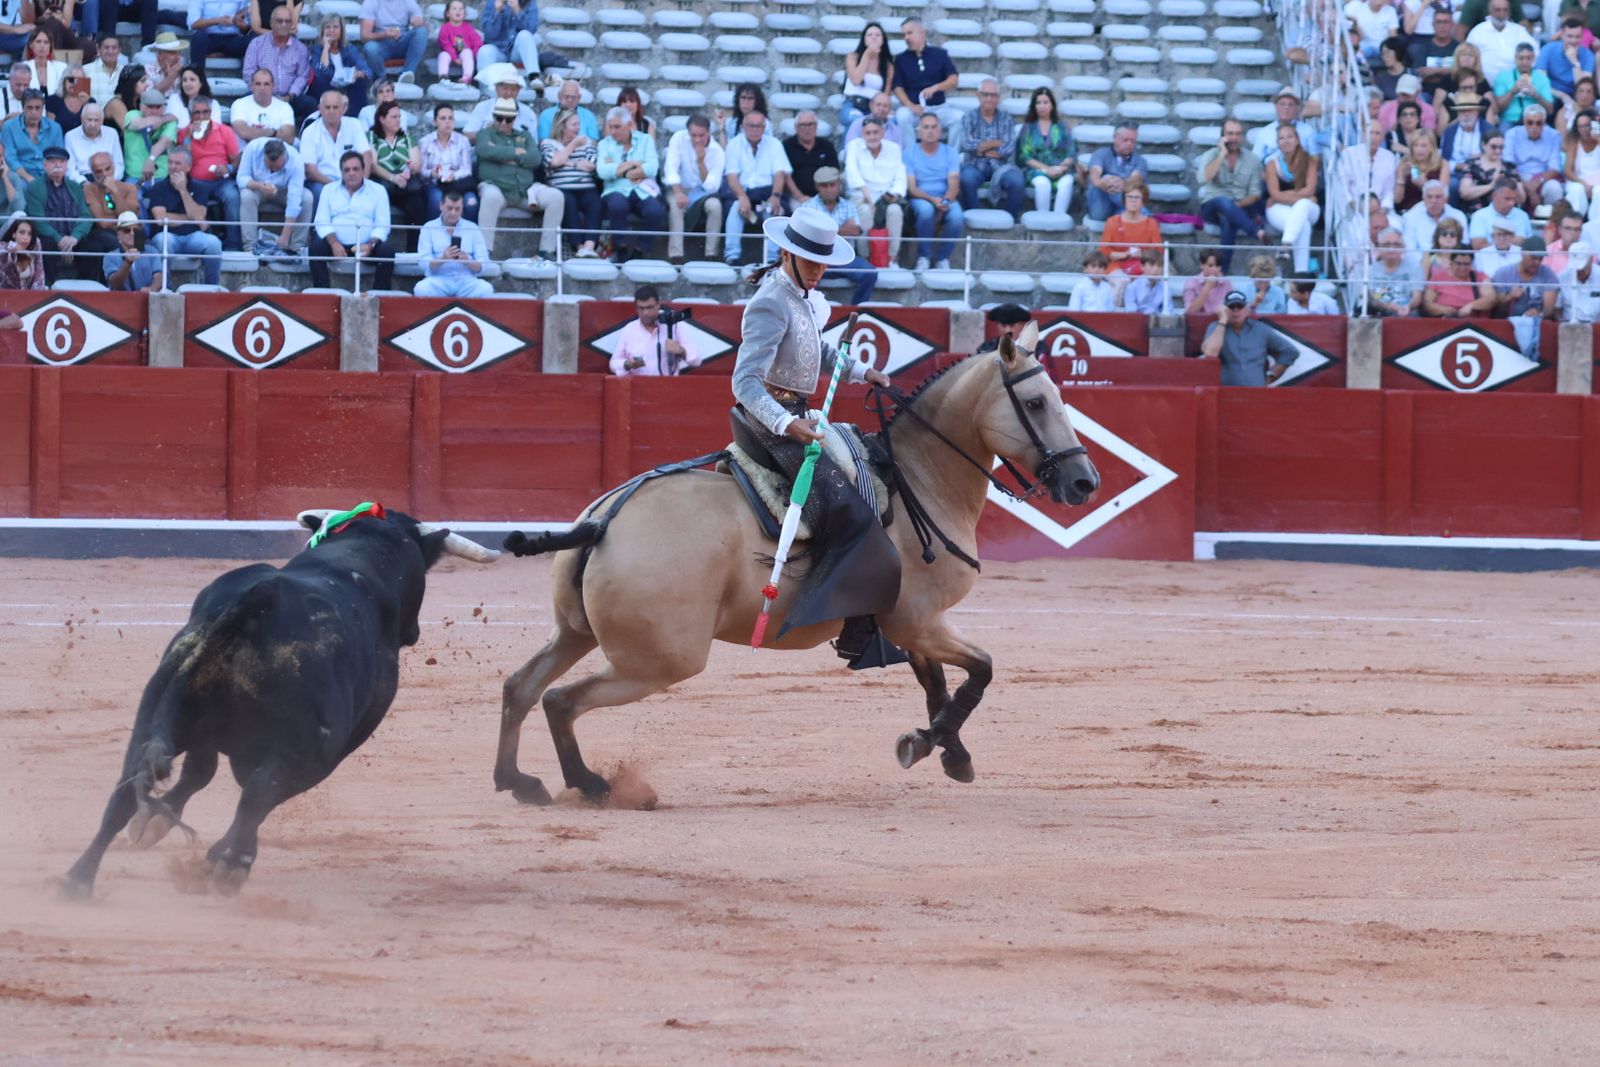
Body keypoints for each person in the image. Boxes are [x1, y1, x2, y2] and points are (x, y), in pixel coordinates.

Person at [730, 208, 899, 669]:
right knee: (846, 505)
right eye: (812, 260)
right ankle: (850, 627)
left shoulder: (801, 296)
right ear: (787, 252)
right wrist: (787, 424)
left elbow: (817, 351)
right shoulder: (769, 301)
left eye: (824, 261)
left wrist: (864, 372)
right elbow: (745, 383)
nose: (821, 269)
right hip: (772, 422)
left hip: (797, 416)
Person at [476, 96, 562, 262]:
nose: (503, 123)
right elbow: (485, 151)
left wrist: (501, 154)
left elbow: (535, 159)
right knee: (490, 196)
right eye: (499, 118)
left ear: (514, 119)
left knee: (556, 197)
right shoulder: (484, 134)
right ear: (494, 117)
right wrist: (517, 153)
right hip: (497, 187)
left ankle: (546, 251)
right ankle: (484, 251)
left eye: (508, 119)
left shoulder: (524, 135)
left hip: (524, 190)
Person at [309, 149, 393, 289]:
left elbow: (383, 224)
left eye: (355, 169)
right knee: (315, 248)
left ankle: (380, 295)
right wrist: (334, 243)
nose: (351, 173)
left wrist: (370, 245)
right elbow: (321, 221)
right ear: (341, 172)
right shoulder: (329, 190)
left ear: (363, 170)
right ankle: (322, 293)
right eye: (346, 170)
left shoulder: (378, 190)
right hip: (336, 245)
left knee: (387, 252)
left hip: (367, 246)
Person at [25, 144, 109, 280]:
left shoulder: (75, 187)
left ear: (67, 166)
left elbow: (85, 215)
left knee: (95, 248)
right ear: (44, 165)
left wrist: (74, 237)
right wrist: (60, 239)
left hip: (72, 238)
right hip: (50, 238)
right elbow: (37, 219)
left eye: (62, 161)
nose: (57, 165)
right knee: (45, 246)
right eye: (52, 161)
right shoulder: (35, 187)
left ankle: (86, 289)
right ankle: (48, 287)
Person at [793, 166, 875, 305]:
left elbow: (854, 230)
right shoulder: (808, 206)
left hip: (845, 260)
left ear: (839, 185)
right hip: (815, 260)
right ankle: (810, 310)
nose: (829, 189)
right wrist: (842, 229)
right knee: (801, 276)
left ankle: (856, 311)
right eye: (824, 185)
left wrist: (822, 231)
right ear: (817, 186)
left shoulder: (848, 205)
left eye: (832, 184)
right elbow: (805, 235)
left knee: (870, 273)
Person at [722, 108, 793, 267]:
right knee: (736, 207)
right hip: (741, 191)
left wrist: (776, 195)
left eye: (758, 126)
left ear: (764, 127)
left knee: (773, 208)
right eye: (751, 125)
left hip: (767, 192)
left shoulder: (775, 144)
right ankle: (732, 255)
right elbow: (731, 176)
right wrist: (741, 196)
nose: (755, 129)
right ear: (743, 127)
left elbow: (779, 173)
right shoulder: (734, 144)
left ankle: (772, 258)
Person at [1196, 121, 1265, 273]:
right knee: (1223, 201)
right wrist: (1221, 155)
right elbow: (1204, 178)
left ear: (1243, 137)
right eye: (1230, 134)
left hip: (1240, 207)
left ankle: (1222, 273)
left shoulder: (1252, 160)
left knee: (1228, 219)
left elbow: (1255, 193)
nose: (1234, 138)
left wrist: (1234, 208)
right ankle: (1254, 230)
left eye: (1238, 134)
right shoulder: (1211, 155)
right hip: (1212, 205)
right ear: (1222, 136)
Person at [148, 145, 223, 284]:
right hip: (168, 235)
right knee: (163, 241)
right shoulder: (158, 188)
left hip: (193, 237)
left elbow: (200, 216)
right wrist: (191, 218)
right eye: (170, 162)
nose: (172, 167)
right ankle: (165, 287)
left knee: (214, 243)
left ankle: (211, 288)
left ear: (188, 167)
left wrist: (183, 190)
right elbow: (160, 219)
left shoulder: (200, 188)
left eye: (177, 163)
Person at [597, 106, 663, 263]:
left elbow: (652, 168)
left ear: (629, 125)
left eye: (617, 127)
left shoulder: (645, 140)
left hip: (642, 189)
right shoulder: (604, 144)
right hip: (615, 189)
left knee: (655, 211)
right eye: (610, 127)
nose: (612, 131)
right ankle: (621, 246)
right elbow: (602, 171)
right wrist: (633, 164)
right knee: (617, 205)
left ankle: (640, 250)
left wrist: (619, 168)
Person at [178, 95, 240, 250]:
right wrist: (188, 137)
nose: (201, 117)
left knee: (233, 196)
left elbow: (236, 160)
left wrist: (228, 168)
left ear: (211, 112)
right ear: (190, 114)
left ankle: (234, 244)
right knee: (191, 197)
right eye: (196, 113)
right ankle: (197, 243)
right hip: (196, 182)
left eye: (205, 112)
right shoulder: (183, 133)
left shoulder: (224, 131)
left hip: (221, 180)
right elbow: (182, 160)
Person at [1201, 288, 1299, 384]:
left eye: (1239, 306)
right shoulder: (1215, 327)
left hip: (1256, 392)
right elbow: (1210, 353)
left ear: (1246, 310)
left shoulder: (1261, 329)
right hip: (1226, 393)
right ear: (1224, 309)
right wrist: (1222, 322)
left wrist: (1271, 375)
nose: (1236, 310)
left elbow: (1291, 351)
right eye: (1231, 307)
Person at [842, 116, 904, 267]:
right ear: (863, 134)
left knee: (896, 211)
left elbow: (900, 176)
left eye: (875, 132)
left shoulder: (893, 148)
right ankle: (866, 257)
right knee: (864, 210)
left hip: (886, 196)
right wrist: (867, 196)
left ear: (882, 133)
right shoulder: (854, 146)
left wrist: (894, 194)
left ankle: (891, 259)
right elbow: (851, 172)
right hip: (861, 195)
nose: (872, 136)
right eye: (868, 133)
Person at [957, 79, 1023, 219]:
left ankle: (1008, 219)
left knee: (1017, 181)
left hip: (1001, 166)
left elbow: (1009, 148)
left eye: (993, 95)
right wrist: (997, 142)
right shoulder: (969, 117)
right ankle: (974, 219)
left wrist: (980, 149)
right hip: (974, 165)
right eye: (985, 94)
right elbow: (966, 144)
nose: (989, 98)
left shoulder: (1006, 119)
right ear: (978, 95)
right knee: (966, 179)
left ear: (998, 98)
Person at [236, 135, 311, 257]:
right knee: (246, 196)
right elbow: (241, 178)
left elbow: (294, 200)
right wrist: (259, 185)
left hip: (283, 190)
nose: (273, 169)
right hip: (258, 188)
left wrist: (285, 236)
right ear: (263, 156)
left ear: (284, 156)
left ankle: (297, 247)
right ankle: (250, 247)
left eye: (277, 167)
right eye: (269, 166)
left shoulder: (296, 160)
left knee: (306, 198)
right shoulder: (253, 148)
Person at [664, 112, 723, 263]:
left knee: (715, 206)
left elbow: (712, 187)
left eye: (701, 135)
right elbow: (671, 168)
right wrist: (678, 193)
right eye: (693, 135)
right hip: (678, 187)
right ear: (688, 132)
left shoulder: (717, 151)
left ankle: (711, 254)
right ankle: (676, 256)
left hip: (703, 193)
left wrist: (701, 162)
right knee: (676, 205)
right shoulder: (679, 138)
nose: (697, 139)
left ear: (709, 133)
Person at [905, 112, 962, 271]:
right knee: (925, 211)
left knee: (957, 217)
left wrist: (944, 202)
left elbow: (954, 183)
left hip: (946, 197)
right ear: (919, 131)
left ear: (940, 131)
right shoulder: (909, 153)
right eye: (926, 127)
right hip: (921, 197)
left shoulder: (950, 152)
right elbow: (912, 187)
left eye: (934, 127)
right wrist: (933, 201)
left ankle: (943, 259)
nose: (930, 131)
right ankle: (924, 257)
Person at [540, 108, 599, 257]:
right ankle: (578, 247)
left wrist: (566, 161)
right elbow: (553, 161)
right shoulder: (548, 143)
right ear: (562, 126)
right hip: (562, 188)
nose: (578, 128)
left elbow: (592, 163)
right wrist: (573, 149)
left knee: (595, 202)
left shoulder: (587, 144)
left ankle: (589, 246)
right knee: (568, 202)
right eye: (574, 124)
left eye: (579, 124)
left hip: (586, 186)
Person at [609, 284, 703, 376]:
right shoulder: (629, 329)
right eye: (641, 308)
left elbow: (697, 360)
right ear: (636, 308)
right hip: (638, 386)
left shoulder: (674, 325)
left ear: (658, 305)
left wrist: (681, 351)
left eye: (649, 307)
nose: (645, 313)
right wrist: (628, 364)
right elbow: (613, 363)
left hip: (668, 386)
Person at [1265, 124, 1322, 273]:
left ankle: (1286, 244)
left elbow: (1310, 189)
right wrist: (1304, 196)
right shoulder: (1272, 164)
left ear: (1297, 140)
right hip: (1279, 209)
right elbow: (1274, 194)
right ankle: (1300, 273)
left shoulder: (1310, 161)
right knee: (1303, 225)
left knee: (1303, 205)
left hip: (1309, 209)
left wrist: (1285, 197)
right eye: (1281, 138)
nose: (1286, 141)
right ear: (1277, 143)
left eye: (1289, 137)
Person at [301, 90, 371, 209]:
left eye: (335, 107)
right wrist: (339, 187)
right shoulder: (310, 132)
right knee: (323, 193)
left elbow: (367, 157)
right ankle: (319, 227)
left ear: (343, 109)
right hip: (322, 182)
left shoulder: (355, 125)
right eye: (327, 107)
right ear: (320, 109)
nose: (331, 111)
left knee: (375, 192)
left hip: (353, 179)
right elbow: (310, 171)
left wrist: (361, 183)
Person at [243, 6, 313, 125]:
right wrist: (265, 92)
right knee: (243, 101)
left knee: (310, 104)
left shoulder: (300, 49)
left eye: (287, 21)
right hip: (262, 94)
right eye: (279, 21)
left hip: (290, 98)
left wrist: (290, 95)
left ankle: (305, 139)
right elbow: (249, 72)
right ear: (271, 23)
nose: (284, 25)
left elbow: (302, 76)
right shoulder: (257, 44)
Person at [369, 99, 424, 252]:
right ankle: (376, 248)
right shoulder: (372, 136)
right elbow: (373, 165)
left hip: (405, 185)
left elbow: (416, 163)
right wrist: (393, 178)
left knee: (416, 204)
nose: (398, 120)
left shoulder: (407, 137)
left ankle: (414, 250)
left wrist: (412, 167)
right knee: (379, 195)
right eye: (394, 117)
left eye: (399, 117)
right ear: (382, 119)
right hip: (382, 182)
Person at [414, 188, 490, 297]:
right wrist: (443, 258)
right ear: (441, 206)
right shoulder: (429, 227)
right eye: (449, 208)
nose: (453, 213)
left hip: (466, 280)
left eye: (457, 209)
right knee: (421, 289)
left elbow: (484, 265)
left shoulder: (472, 228)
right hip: (439, 280)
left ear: (462, 209)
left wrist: (468, 262)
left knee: (486, 289)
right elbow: (423, 263)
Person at [1492, 234, 1559, 354]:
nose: (1537, 262)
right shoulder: (1504, 273)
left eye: (1540, 258)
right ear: (1523, 253)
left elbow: (1549, 308)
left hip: (1538, 327)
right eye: (1533, 258)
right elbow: (1496, 310)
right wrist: (1510, 297)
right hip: (1507, 327)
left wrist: (1540, 313)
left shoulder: (1548, 274)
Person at [892, 18, 959, 134]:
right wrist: (911, 106)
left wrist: (936, 87)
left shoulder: (940, 54)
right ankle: (909, 151)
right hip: (914, 110)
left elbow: (954, 80)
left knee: (959, 118)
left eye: (909, 33)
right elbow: (898, 87)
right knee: (902, 116)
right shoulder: (900, 59)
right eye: (904, 35)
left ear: (922, 33)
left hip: (939, 108)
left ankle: (952, 152)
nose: (906, 38)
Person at [1017, 87, 1075, 218]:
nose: (1042, 106)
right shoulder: (1028, 128)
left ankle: (1059, 219)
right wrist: (1046, 169)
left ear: (1052, 105)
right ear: (1034, 106)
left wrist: (1063, 166)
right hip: (1036, 170)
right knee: (1043, 184)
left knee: (1067, 182)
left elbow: (1071, 152)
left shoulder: (1062, 126)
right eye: (1038, 103)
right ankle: (1043, 219)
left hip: (1060, 168)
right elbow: (1025, 156)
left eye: (1045, 102)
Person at [419, 102, 475, 220]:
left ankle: (467, 237)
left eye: (450, 118)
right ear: (435, 122)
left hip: (457, 184)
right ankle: (434, 235)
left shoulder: (462, 141)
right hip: (435, 184)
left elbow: (466, 170)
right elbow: (421, 171)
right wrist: (432, 173)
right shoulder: (425, 142)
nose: (447, 122)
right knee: (437, 200)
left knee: (471, 202)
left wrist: (453, 175)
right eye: (443, 118)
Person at [309, 14, 372, 118]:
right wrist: (326, 48)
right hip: (326, 86)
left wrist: (361, 73)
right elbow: (320, 71)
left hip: (347, 86)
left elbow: (367, 70)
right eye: (328, 27)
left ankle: (355, 118)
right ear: (322, 31)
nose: (331, 30)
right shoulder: (316, 50)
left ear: (341, 30)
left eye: (335, 27)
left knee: (360, 82)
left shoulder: (350, 48)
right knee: (320, 80)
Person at [1085, 124, 1149, 222]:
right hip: (1100, 205)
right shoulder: (1100, 154)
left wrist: (1122, 184)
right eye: (1125, 140)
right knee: (1107, 178)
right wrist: (1104, 183)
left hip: (1123, 206)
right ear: (1115, 138)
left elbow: (1136, 179)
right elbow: (1095, 173)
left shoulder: (1140, 161)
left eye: (1133, 141)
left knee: (1130, 189)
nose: (1129, 144)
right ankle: (1143, 213)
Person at [1505, 104, 1564, 206]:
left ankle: (1551, 219)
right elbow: (1509, 165)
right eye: (1530, 122)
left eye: (1538, 123)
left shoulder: (1553, 135)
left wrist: (1536, 183)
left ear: (1544, 123)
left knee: (1554, 188)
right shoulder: (1512, 134)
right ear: (1524, 122)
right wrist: (1530, 189)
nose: (1534, 127)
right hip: (1519, 176)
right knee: (1515, 188)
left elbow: (1554, 168)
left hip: (1543, 177)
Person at [3, 89, 61, 190]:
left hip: (49, 174)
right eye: (29, 108)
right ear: (23, 108)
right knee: (22, 187)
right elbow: (11, 159)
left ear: (43, 108)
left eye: (37, 108)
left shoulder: (55, 128)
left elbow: (59, 156)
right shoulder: (9, 127)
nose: (33, 112)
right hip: (21, 174)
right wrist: (28, 177)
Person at [463, 64, 535, 144]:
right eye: (505, 88)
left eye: (513, 90)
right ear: (496, 89)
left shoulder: (528, 112)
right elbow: (466, 137)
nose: (508, 93)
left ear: (518, 91)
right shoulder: (483, 107)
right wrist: (488, 131)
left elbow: (533, 143)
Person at [1466, 0, 1535, 83]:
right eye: (1498, 10)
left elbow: (1534, 53)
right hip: (1483, 85)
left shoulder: (1519, 31)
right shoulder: (1477, 32)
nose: (1501, 14)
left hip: (1514, 85)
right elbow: (1467, 57)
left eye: (1505, 10)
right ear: (1490, 11)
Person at [358, 0, 426, 84]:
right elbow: (364, 36)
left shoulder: (408, 1)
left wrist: (420, 22)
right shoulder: (371, 2)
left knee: (421, 32)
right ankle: (381, 81)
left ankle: (407, 74)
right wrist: (385, 34)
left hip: (402, 41)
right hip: (381, 44)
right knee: (370, 48)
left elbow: (423, 25)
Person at [1100, 181, 1160, 275]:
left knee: (1146, 280)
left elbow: (1157, 252)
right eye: (1130, 197)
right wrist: (1125, 255)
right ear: (1124, 200)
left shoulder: (1151, 223)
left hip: (1143, 266)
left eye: (1137, 197)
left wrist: (1142, 254)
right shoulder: (1112, 222)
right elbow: (1104, 252)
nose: (1133, 200)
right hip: (1116, 266)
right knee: (1122, 281)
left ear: (1143, 202)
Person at [841, 22, 892, 129]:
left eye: (877, 35)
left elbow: (885, 96)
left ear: (883, 40)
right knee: (856, 119)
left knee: (890, 122)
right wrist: (867, 54)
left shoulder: (888, 66)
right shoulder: (852, 57)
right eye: (869, 35)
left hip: (874, 107)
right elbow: (856, 80)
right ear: (864, 39)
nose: (873, 38)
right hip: (852, 104)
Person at [1537, 16, 1594, 111]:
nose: (1573, 41)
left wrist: (1574, 62)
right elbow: (1540, 82)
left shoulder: (1587, 55)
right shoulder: (1548, 49)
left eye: (1577, 37)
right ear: (1562, 35)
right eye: (1570, 36)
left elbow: (1584, 88)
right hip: (1553, 93)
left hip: (1576, 95)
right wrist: (1562, 95)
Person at [1253, 89, 1328, 159]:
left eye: (1291, 105)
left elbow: (1315, 159)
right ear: (1276, 107)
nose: (1286, 108)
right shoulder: (1264, 133)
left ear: (1297, 108)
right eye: (1282, 104)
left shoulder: (1308, 131)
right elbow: (1256, 161)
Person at [478, 0, 541, 84]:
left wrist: (517, 10)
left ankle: (534, 77)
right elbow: (489, 35)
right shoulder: (491, 2)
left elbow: (531, 29)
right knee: (484, 51)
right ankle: (486, 91)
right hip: (498, 50)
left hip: (517, 52)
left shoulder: (530, 2)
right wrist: (497, 12)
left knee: (525, 34)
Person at [1493, 42, 1555, 126]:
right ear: (1515, 58)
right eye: (1521, 58)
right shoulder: (1503, 76)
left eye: (1528, 58)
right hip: (1510, 119)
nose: (1525, 62)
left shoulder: (1542, 78)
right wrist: (1513, 91)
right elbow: (1498, 108)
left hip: (1535, 120)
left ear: (1534, 59)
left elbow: (1550, 110)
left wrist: (1536, 95)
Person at [1421, 247, 1498, 314]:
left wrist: (1471, 306)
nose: (1462, 268)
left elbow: (1491, 299)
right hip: (1445, 320)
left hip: (1474, 322)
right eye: (1459, 263)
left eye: (1466, 264)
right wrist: (1443, 310)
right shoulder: (1438, 277)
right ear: (1451, 263)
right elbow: (1427, 304)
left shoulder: (1481, 277)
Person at [121, 87, 175, 183]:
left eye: (158, 107)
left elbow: (165, 141)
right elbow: (142, 124)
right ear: (141, 106)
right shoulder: (132, 114)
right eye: (150, 107)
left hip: (161, 175)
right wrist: (164, 118)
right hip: (134, 176)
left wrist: (151, 159)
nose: (154, 111)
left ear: (164, 108)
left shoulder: (171, 122)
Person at [231, 68, 297, 145]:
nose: (262, 88)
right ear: (252, 86)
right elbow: (243, 132)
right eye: (258, 84)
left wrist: (261, 132)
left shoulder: (285, 107)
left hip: (275, 153)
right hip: (247, 152)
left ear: (273, 86)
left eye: (266, 84)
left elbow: (288, 138)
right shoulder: (239, 104)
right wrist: (272, 132)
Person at [783, 110, 837, 203]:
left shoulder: (827, 146)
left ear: (816, 126)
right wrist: (799, 196)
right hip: (796, 198)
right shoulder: (786, 147)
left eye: (810, 124)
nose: (807, 128)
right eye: (803, 125)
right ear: (796, 127)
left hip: (825, 197)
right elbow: (785, 175)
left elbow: (834, 173)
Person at [189, 0, 252, 80]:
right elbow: (193, 23)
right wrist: (217, 20)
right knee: (198, 37)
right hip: (208, 38)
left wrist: (241, 24)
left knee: (254, 41)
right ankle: (197, 79)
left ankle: (250, 82)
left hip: (232, 39)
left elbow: (244, 28)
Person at [102, 208, 162, 290]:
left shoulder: (152, 251)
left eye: (135, 229)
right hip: (121, 300)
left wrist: (151, 289)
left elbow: (159, 276)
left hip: (147, 299)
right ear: (118, 234)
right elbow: (115, 284)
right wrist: (127, 263)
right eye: (126, 230)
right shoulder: (110, 257)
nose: (132, 233)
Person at [1367, 228, 1423, 314]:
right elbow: (1374, 298)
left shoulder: (1414, 267)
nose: (1391, 248)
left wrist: (1408, 306)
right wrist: (1388, 306)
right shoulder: (1372, 270)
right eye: (1386, 244)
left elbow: (1417, 297)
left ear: (1403, 247)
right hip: (1380, 315)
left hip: (1409, 314)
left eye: (1396, 244)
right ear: (1379, 247)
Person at [1439, 92, 1496, 177]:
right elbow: (1443, 160)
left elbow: (1496, 156)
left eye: (1470, 110)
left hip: (1481, 174)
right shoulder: (1449, 132)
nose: (1466, 114)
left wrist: (1483, 157)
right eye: (1462, 111)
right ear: (1457, 113)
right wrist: (1457, 166)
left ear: (1477, 112)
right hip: (1454, 174)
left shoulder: (1489, 130)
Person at [1403, 178, 1469, 250]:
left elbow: (1463, 246)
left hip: (1451, 259)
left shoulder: (1458, 216)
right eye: (1429, 197)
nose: (1433, 201)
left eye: (1438, 197)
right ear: (1424, 199)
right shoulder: (1411, 216)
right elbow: (1410, 250)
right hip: (1421, 259)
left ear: (1445, 199)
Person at [1460, 132, 1519, 213]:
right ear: (1484, 145)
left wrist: (1514, 187)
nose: (1498, 150)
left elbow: (1521, 199)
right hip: (1477, 214)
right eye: (1493, 147)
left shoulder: (1510, 167)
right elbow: (1464, 193)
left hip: (1505, 214)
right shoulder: (1471, 165)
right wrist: (1491, 186)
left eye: (1501, 147)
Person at [1395, 128, 1449, 211]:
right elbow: (1397, 200)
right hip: (1408, 210)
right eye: (1415, 145)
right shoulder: (1404, 162)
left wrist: (1424, 185)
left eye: (1423, 146)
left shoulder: (1442, 163)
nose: (1418, 149)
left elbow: (1445, 197)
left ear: (1432, 147)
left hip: (1433, 210)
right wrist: (1401, 177)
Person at [64, 100, 119, 181]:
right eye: (89, 120)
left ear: (102, 121)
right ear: (82, 119)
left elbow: (119, 165)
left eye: (96, 120)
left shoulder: (112, 134)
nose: (92, 124)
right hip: (82, 179)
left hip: (108, 179)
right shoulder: (70, 136)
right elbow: (69, 169)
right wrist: (83, 183)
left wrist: (110, 180)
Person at [1564, 107, 1600, 219]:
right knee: (1577, 190)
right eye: (1580, 126)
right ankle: (1574, 222)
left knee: (1599, 191)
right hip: (1579, 180)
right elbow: (1568, 171)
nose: (1584, 129)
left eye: (1587, 125)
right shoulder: (1574, 142)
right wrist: (1584, 183)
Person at [0, 213, 45, 289]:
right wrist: (12, 246)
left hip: (28, 296)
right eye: (22, 232)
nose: (26, 237)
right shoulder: (4, 246)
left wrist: (36, 296)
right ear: (14, 234)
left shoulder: (35, 244)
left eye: (29, 234)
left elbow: (39, 274)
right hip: (5, 297)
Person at [45, 64, 90, 135]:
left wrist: (86, 104)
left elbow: (91, 128)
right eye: (71, 79)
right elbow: (51, 131)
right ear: (64, 81)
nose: (74, 83)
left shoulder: (90, 102)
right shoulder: (53, 100)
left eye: (78, 80)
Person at [1183, 250, 1230, 315]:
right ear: (1202, 265)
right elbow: (1190, 312)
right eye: (1210, 265)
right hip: (1199, 321)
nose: (1214, 269)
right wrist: (1207, 288)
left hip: (1220, 321)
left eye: (1218, 265)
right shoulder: (1192, 282)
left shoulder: (1226, 283)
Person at [86, 33, 126, 107]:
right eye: (106, 48)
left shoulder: (125, 72)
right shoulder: (85, 70)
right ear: (98, 49)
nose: (110, 51)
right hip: (93, 116)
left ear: (119, 50)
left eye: (114, 48)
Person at [23, 27, 64, 96]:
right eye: (38, 41)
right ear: (31, 45)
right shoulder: (23, 67)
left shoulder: (61, 67)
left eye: (46, 42)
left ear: (50, 46)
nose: (42, 46)